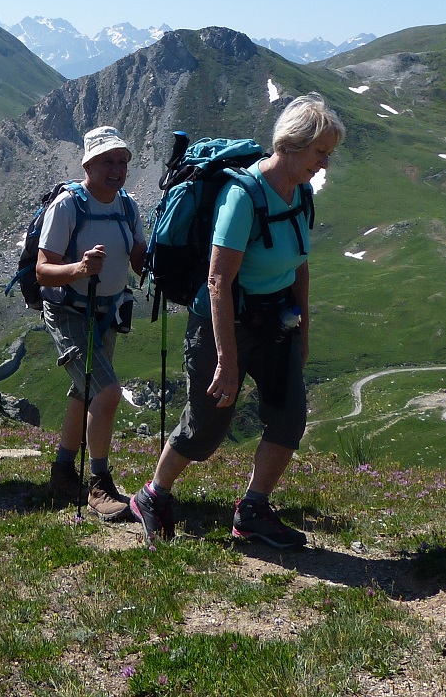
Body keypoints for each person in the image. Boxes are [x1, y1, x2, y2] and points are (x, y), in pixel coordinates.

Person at [131, 94, 344, 549]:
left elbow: (299, 264)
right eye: (320, 152)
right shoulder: (242, 195)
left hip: (276, 322)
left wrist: (304, 328)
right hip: (222, 324)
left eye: (328, 153)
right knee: (205, 429)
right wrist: (226, 361)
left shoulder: (301, 193)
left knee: (289, 418)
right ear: (290, 145)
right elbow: (216, 281)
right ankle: (152, 495)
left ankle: (252, 511)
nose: (325, 164)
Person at [36, 126, 148, 520]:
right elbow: (42, 270)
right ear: (88, 164)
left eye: (122, 162)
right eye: (107, 162)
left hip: (107, 312)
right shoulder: (68, 206)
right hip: (69, 312)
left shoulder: (127, 206)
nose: (117, 170)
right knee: (107, 392)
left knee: (84, 392)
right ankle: (98, 485)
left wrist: (155, 261)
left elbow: (138, 258)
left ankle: (64, 472)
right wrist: (80, 267)